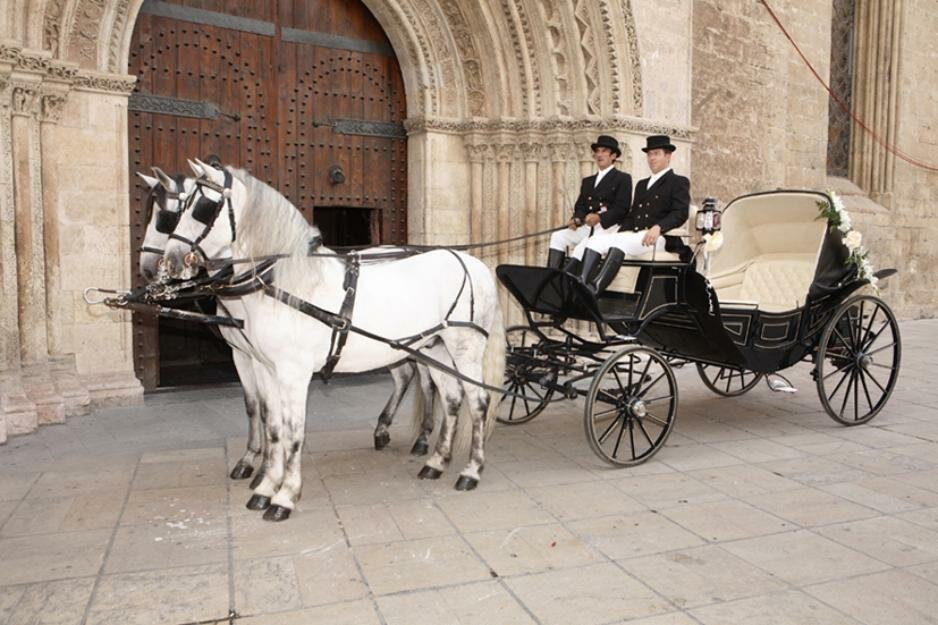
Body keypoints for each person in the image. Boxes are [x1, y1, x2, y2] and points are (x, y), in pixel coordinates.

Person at [576, 134, 691, 294]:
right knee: (595, 240)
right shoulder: (642, 185)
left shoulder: (678, 181)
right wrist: (619, 232)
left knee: (618, 244)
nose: (652, 158)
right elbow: (632, 215)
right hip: (636, 235)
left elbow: (680, 212)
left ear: (668, 156)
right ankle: (580, 285)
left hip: (659, 238)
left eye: (656, 154)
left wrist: (659, 227)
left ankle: (593, 291)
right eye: (649, 154)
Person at [546, 135, 632, 271]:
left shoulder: (623, 178)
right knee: (558, 236)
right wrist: (577, 219)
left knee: (581, 247)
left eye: (604, 151)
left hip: (607, 228)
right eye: (597, 151)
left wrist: (599, 217)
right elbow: (581, 206)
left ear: (613, 156)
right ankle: (551, 276)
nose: (599, 154)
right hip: (587, 227)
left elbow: (622, 208)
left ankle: (566, 278)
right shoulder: (588, 181)